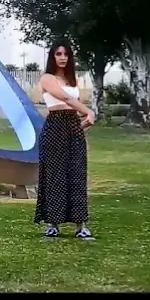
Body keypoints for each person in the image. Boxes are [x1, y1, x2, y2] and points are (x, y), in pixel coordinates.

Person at [34, 40, 96, 240]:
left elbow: (73, 104)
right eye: (58, 54)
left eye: (65, 54)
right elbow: (66, 99)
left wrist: (83, 121)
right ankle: (53, 224)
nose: (62, 58)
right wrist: (88, 111)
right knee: (55, 175)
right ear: (52, 57)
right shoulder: (47, 78)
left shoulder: (72, 79)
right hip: (54, 127)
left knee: (77, 174)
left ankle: (81, 226)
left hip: (72, 126)